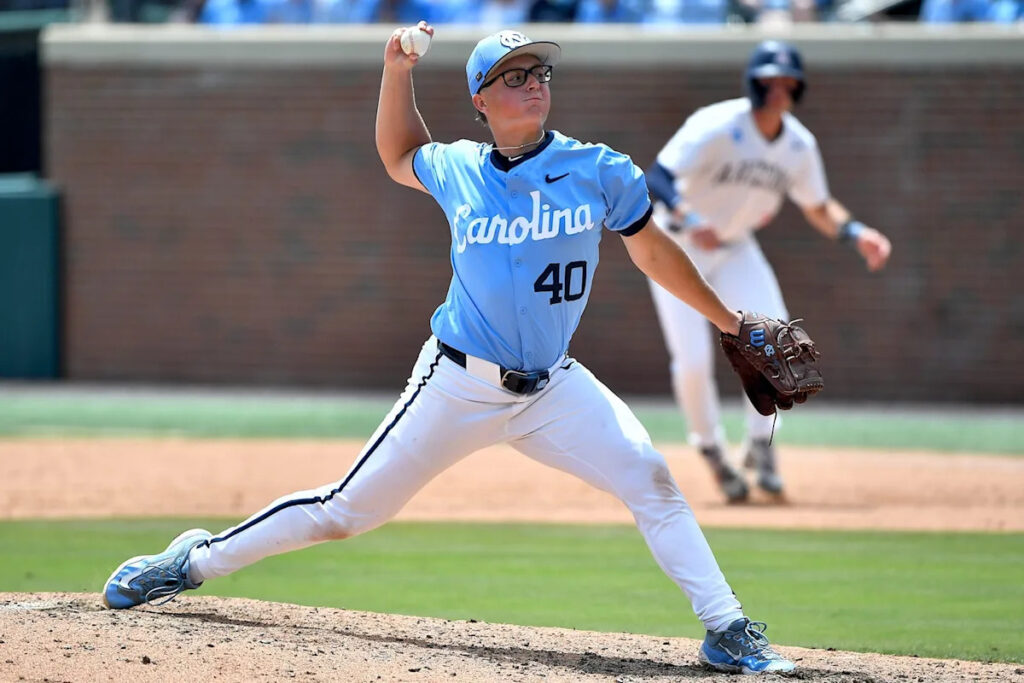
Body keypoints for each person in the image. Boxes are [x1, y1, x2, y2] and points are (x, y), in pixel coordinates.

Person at [101, 25, 798, 676]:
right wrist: (396, 69)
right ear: (480, 101)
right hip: (457, 383)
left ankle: (726, 627)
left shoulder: (600, 170)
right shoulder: (459, 168)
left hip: (554, 386)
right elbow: (399, 154)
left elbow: (652, 251)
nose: (532, 82)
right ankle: (191, 560)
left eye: (538, 70)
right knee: (343, 511)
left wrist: (732, 322)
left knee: (652, 479)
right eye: (512, 74)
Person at [645, 40, 892, 504]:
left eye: (787, 82)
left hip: (735, 247)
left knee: (774, 341)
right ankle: (712, 451)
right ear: (752, 83)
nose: (779, 90)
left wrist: (856, 232)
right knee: (694, 361)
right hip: (678, 246)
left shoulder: (798, 144)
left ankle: (760, 445)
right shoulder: (717, 123)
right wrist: (690, 217)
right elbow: (657, 176)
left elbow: (818, 206)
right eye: (769, 81)